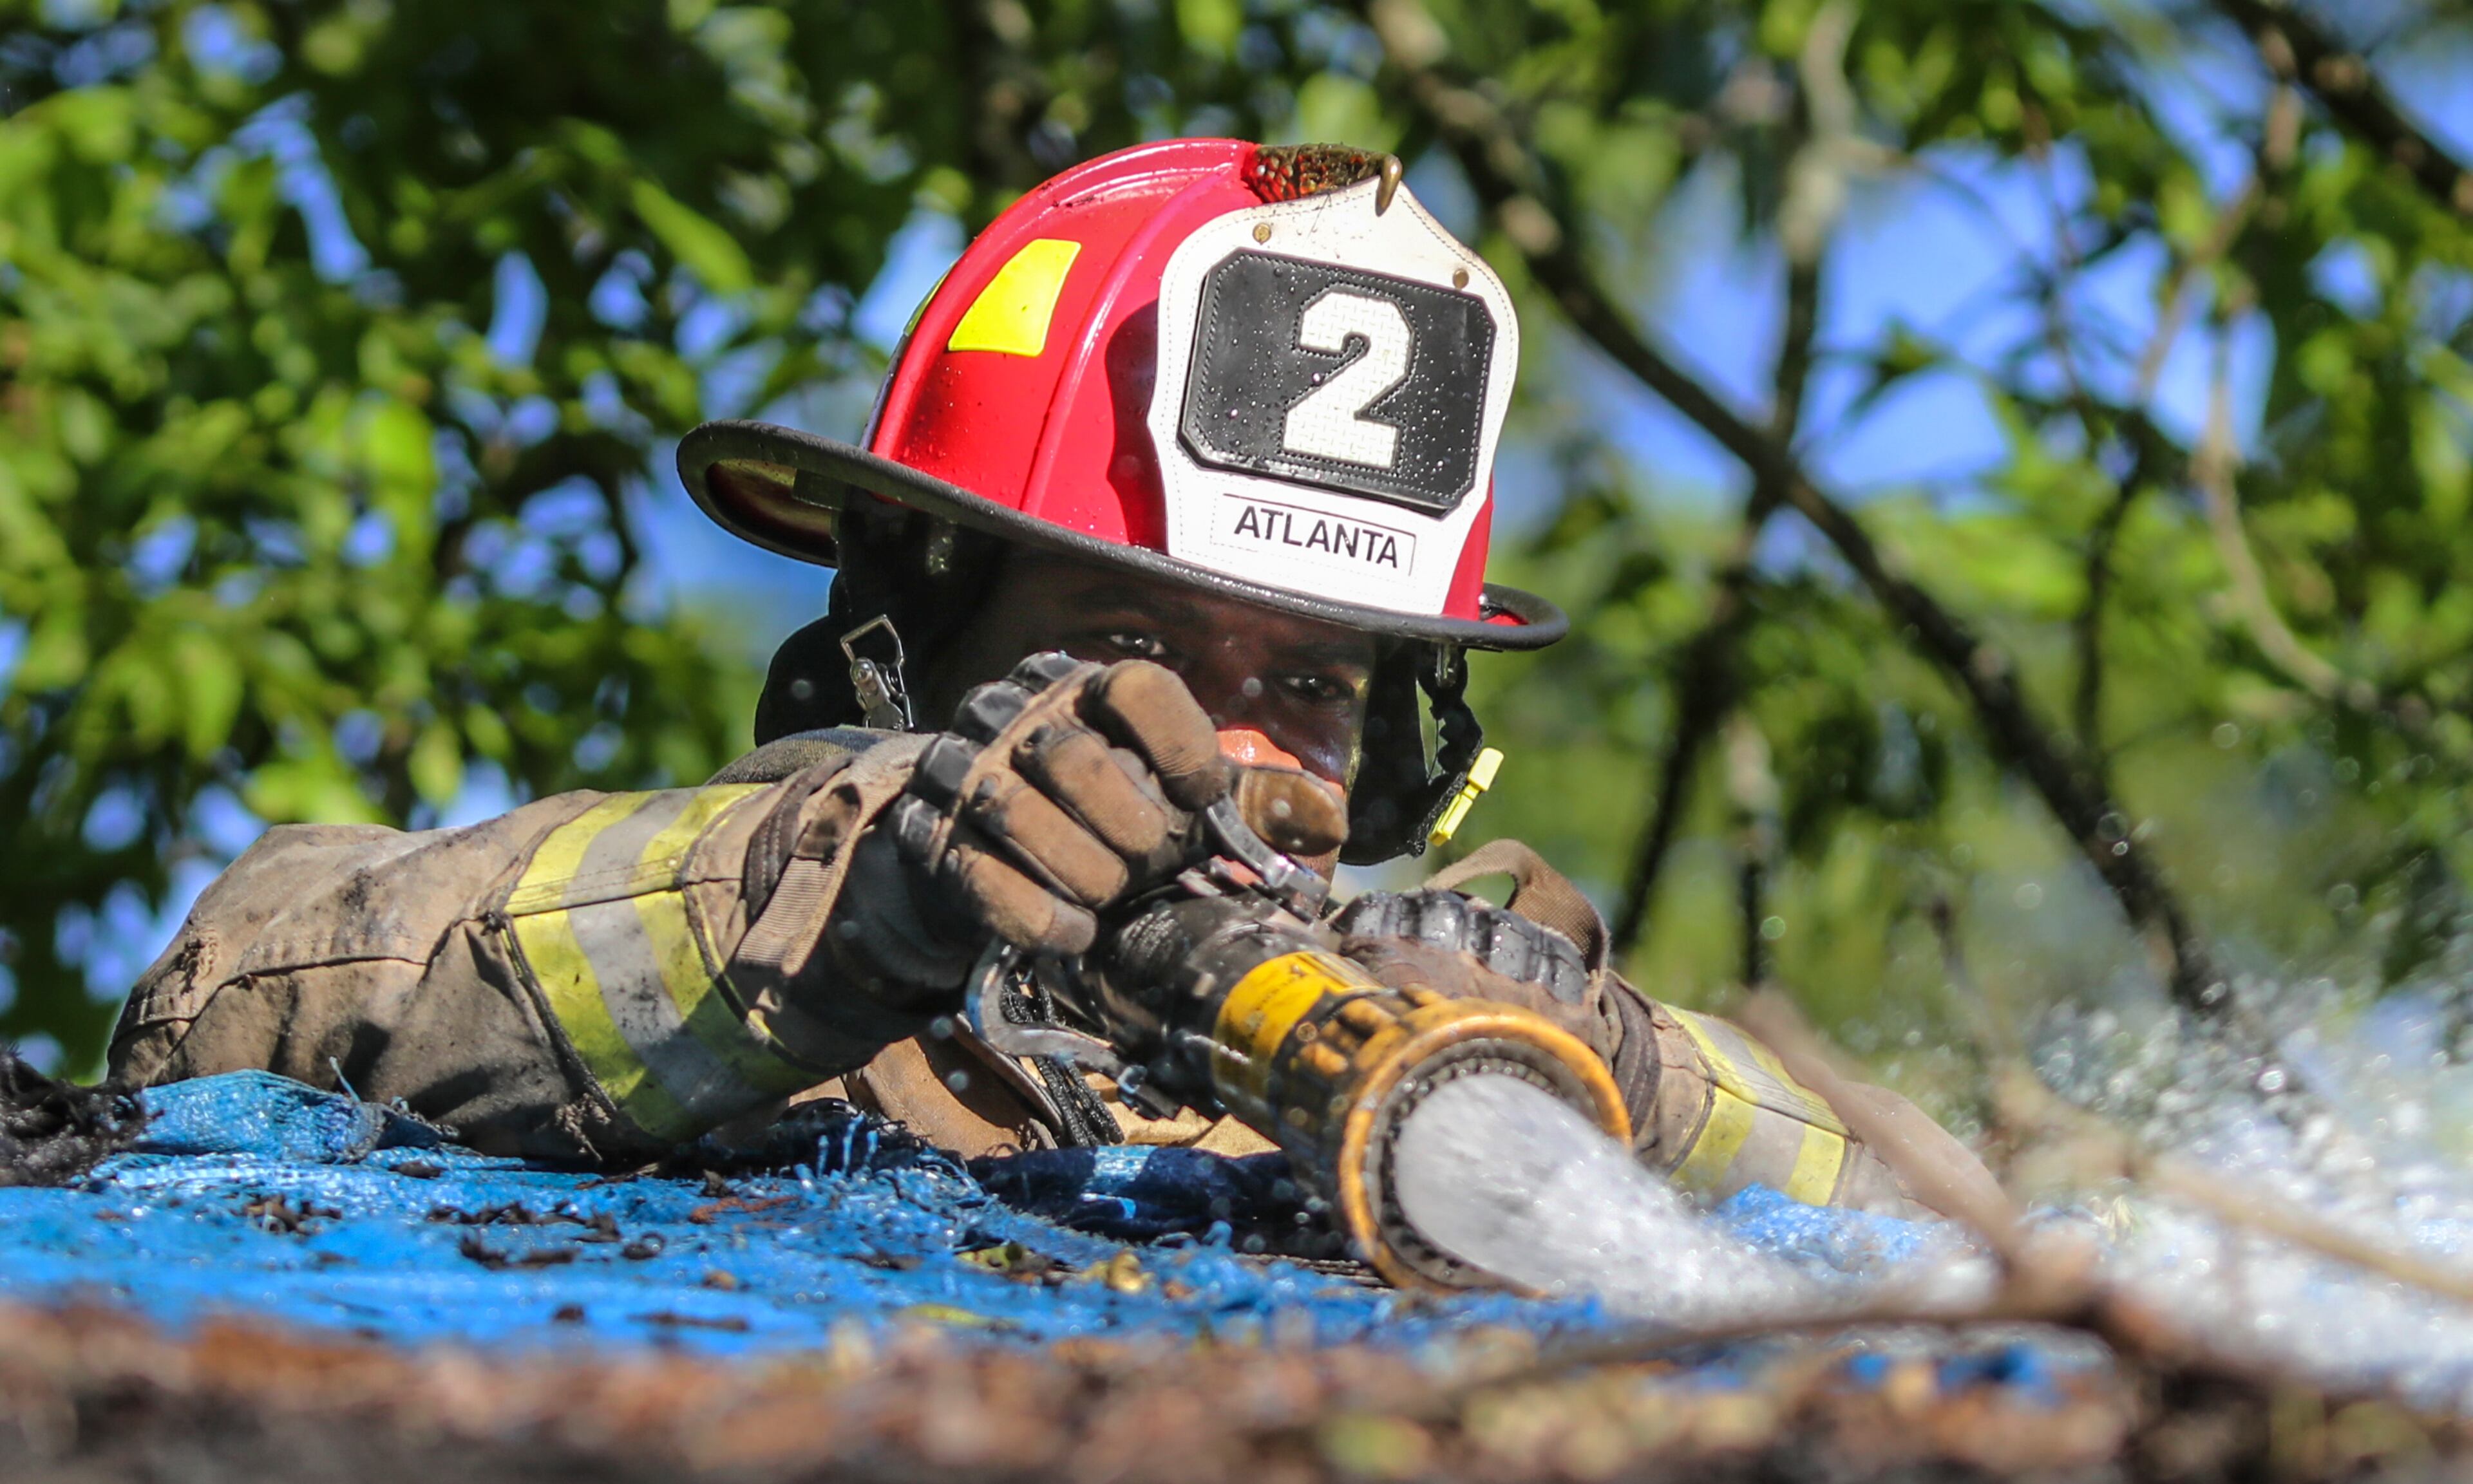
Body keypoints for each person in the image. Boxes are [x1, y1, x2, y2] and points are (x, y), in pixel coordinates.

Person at [109, 140, 1991, 1219]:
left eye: (1319, 687)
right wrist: (856, 893)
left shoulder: (1445, 1076)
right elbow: (228, 992)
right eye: (1121, 653)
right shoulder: (746, 958)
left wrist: (1632, 1083)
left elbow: (1980, 1230)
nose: (1231, 752)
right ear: (898, 647)